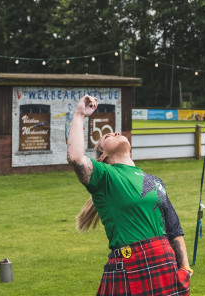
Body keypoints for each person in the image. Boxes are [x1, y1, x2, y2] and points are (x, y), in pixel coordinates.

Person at [67, 94, 192, 295]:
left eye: (115, 132)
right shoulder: (105, 176)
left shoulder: (155, 181)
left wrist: (185, 269)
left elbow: (174, 229)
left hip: (165, 265)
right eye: (107, 136)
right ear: (103, 156)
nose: (115, 133)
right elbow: (75, 158)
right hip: (131, 267)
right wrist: (80, 114)